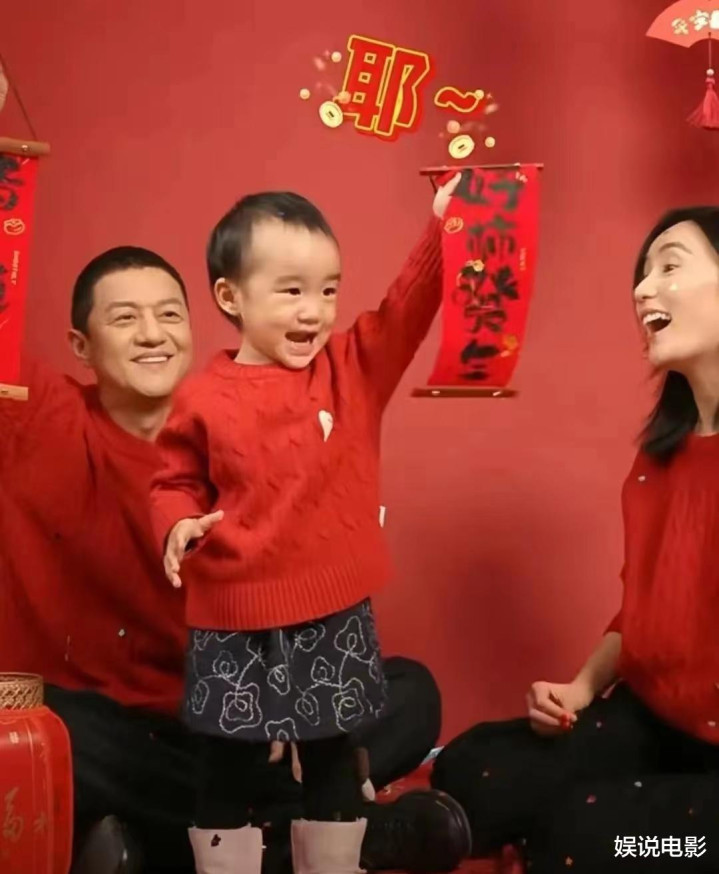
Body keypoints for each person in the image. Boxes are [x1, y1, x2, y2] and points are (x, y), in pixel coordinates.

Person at [0, 245, 467, 874]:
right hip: (123, 728)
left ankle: (177, 841)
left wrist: (282, 699)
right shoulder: (41, 418)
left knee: (410, 693)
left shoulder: (237, 418)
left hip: (241, 699)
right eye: (125, 318)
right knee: (46, 728)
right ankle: (322, 831)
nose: (152, 334)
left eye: (170, 314)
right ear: (81, 346)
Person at [150, 180, 461, 874]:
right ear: (231, 297)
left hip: (331, 611)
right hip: (232, 618)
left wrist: (445, 228)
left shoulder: (353, 369)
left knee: (331, 759)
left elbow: (407, 309)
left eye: (328, 290)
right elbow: (172, 482)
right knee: (224, 767)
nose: (314, 310)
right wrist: (177, 524)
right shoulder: (202, 397)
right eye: (291, 290)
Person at [432, 206, 719, 872]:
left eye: (669, 266)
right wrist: (583, 688)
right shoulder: (658, 461)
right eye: (641, 274)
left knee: (583, 838)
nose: (642, 289)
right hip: (655, 721)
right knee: (470, 769)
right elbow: (643, 613)